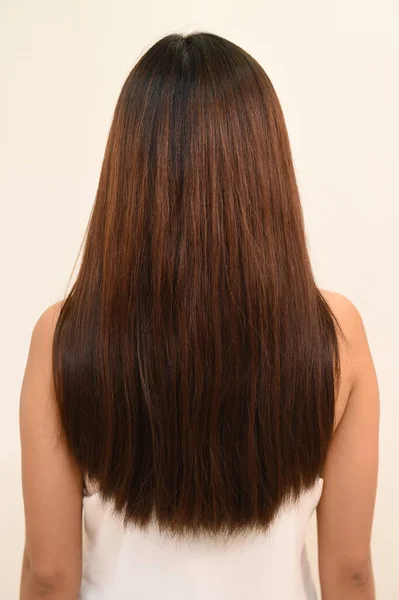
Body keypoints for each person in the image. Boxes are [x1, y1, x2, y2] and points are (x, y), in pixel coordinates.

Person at [19, 32, 379, 600]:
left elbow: (49, 574)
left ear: (127, 171)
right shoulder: (336, 337)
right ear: (266, 169)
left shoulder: (64, 338)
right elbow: (351, 571)